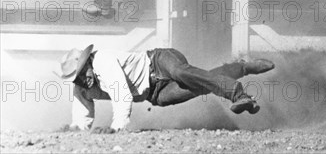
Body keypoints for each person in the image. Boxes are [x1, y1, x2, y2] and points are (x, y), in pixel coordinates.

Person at [57, 44, 275, 132]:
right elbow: (82, 115)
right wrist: (77, 128)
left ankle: (237, 93)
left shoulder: (102, 61)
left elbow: (122, 95)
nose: (81, 81)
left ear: (87, 64)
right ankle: (240, 68)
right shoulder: (83, 87)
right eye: (75, 80)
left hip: (159, 61)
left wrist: (116, 129)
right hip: (156, 93)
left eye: (80, 75)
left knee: (182, 73)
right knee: (199, 86)